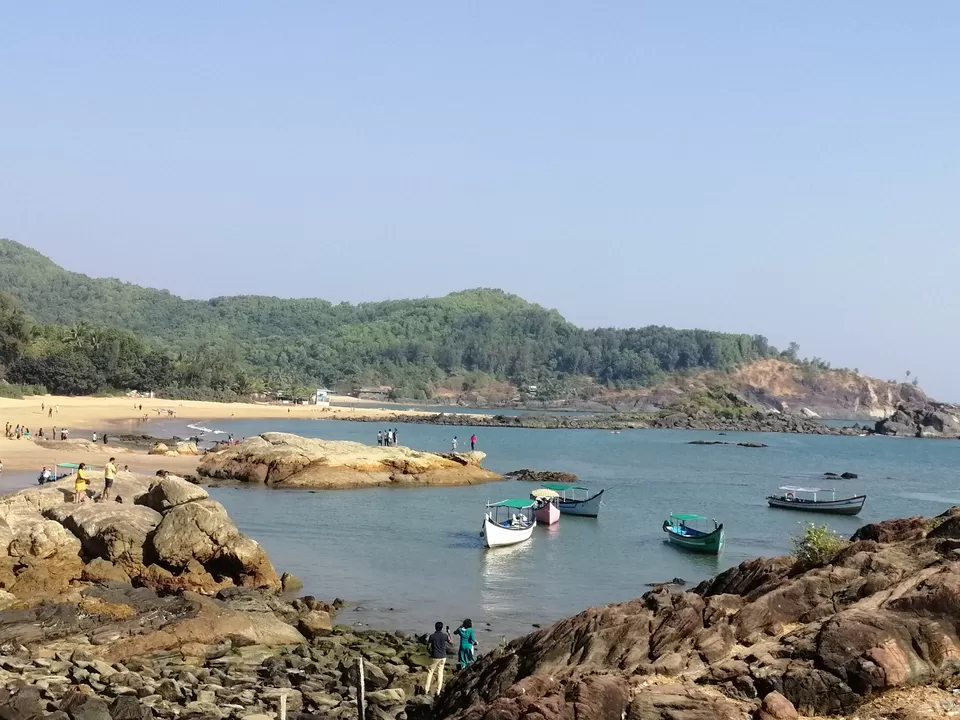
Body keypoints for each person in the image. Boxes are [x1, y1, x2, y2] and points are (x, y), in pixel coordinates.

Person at [424, 622, 453, 695]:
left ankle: (426, 690)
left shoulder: (432, 636)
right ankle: (438, 691)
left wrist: (430, 653)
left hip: (435, 656)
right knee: (440, 673)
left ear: (435, 627)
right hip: (443, 656)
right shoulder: (444, 636)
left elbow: (428, 647)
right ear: (441, 628)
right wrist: (449, 633)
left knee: (430, 672)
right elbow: (452, 642)